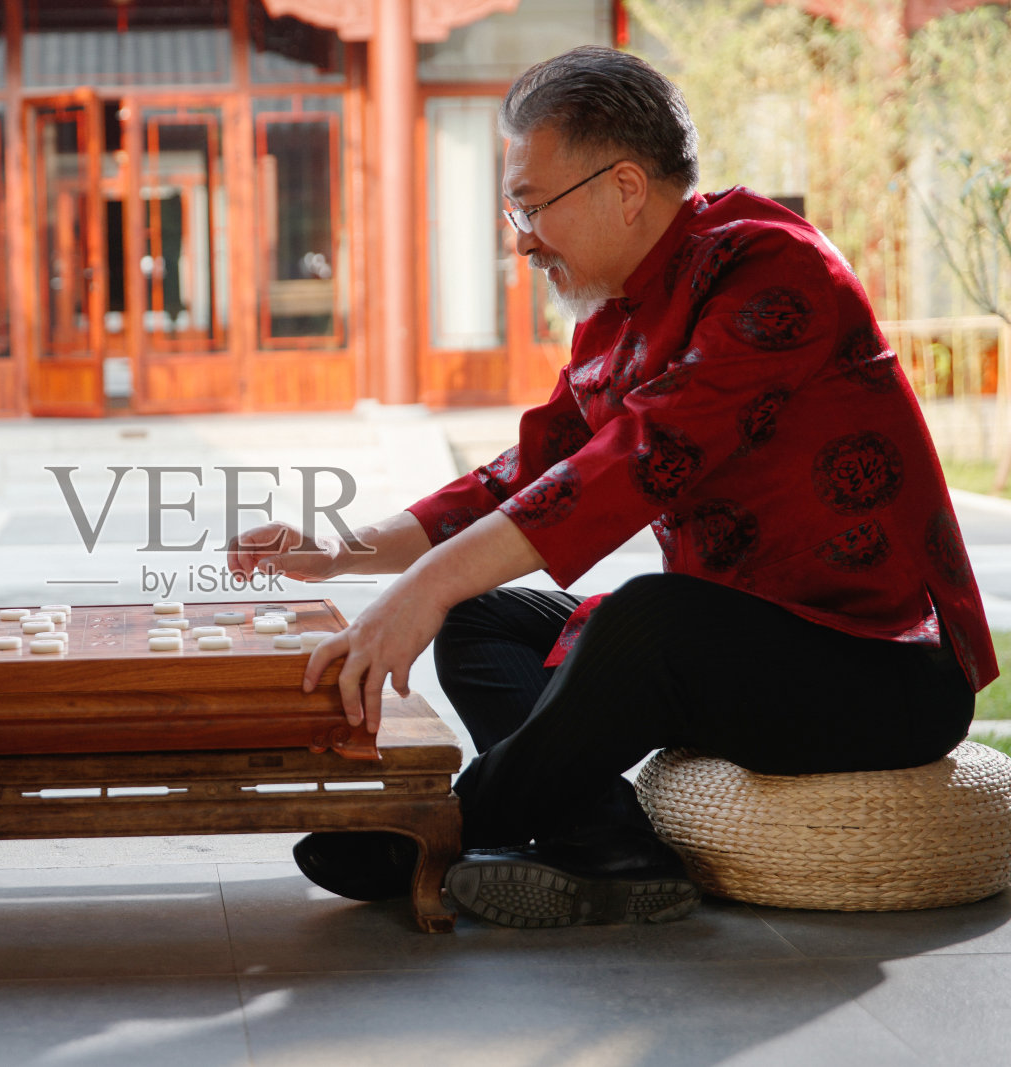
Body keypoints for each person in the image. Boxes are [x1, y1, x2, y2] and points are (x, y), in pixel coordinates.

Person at [228, 46, 995, 929]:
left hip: (884, 665)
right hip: (731, 640)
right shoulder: (614, 318)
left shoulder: (775, 276)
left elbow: (631, 462)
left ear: (624, 188)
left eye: (529, 204)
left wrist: (423, 586)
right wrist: (343, 552)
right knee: (483, 616)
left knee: (643, 618)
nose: (520, 237)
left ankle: (445, 826)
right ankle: (609, 840)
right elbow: (528, 472)